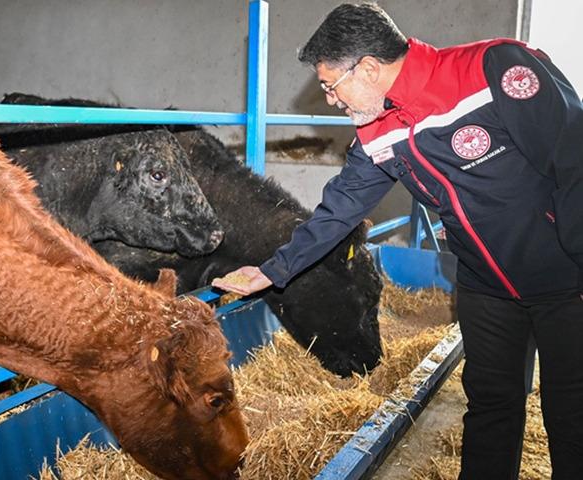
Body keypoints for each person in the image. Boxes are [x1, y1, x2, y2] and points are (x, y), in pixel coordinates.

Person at [212, 3, 583, 478]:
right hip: (483, 285)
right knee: (491, 406)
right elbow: (339, 208)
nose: (329, 99)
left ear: (367, 67)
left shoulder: (494, 69)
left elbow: (573, 161)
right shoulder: (377, 130)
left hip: (563, 278)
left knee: (570, 412)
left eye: (330, 85)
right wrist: (273, 270)